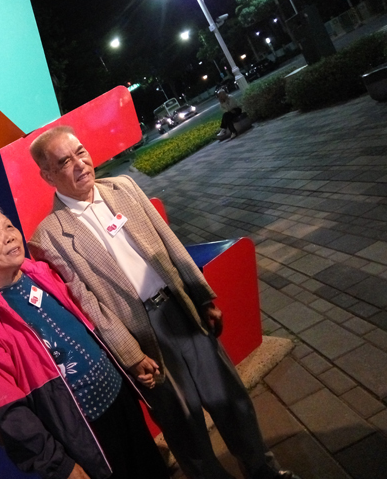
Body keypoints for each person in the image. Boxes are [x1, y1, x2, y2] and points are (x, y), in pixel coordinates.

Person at [27, 125, 300, 479]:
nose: (80, 163)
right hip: (142, 338)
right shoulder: (49, 237)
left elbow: (169, 243)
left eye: (81, 151)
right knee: (185, 431)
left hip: (180, 309)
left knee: (231, 401)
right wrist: (130, 354)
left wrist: (201, 296)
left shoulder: (122, 187)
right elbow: (89, 304)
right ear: (47, 175)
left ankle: (264, 471)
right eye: (65, 161)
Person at [0, 201, 169, 479]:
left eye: (8, 225)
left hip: (121, 399)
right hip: (86, 433)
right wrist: (58, 465)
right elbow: (11, 413)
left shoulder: (42, 272)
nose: (8, 235)